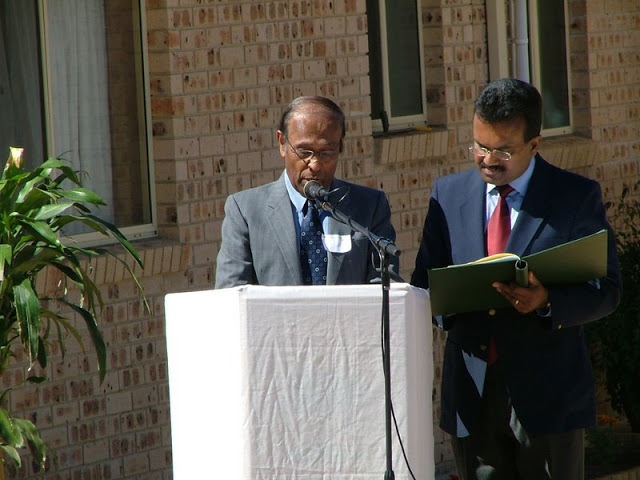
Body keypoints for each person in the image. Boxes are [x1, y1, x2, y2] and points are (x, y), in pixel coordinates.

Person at [410, 78, 621, 479]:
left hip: (549, 397)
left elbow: (606, 290)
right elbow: (424, 284)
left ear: (535, 144)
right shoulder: (448, 195)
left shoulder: (574, 197)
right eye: (479, 146)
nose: (488, 160)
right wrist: (447, 306)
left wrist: (547, 302)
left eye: (503, 150)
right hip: (473, 394)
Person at [215, 95, 399, 288]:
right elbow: (232, 293)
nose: (315, 165)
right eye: (304, 152)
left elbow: (385, 289)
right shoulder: (245, 211)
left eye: (326, 153)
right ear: (282, 143)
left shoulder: (369, 207)